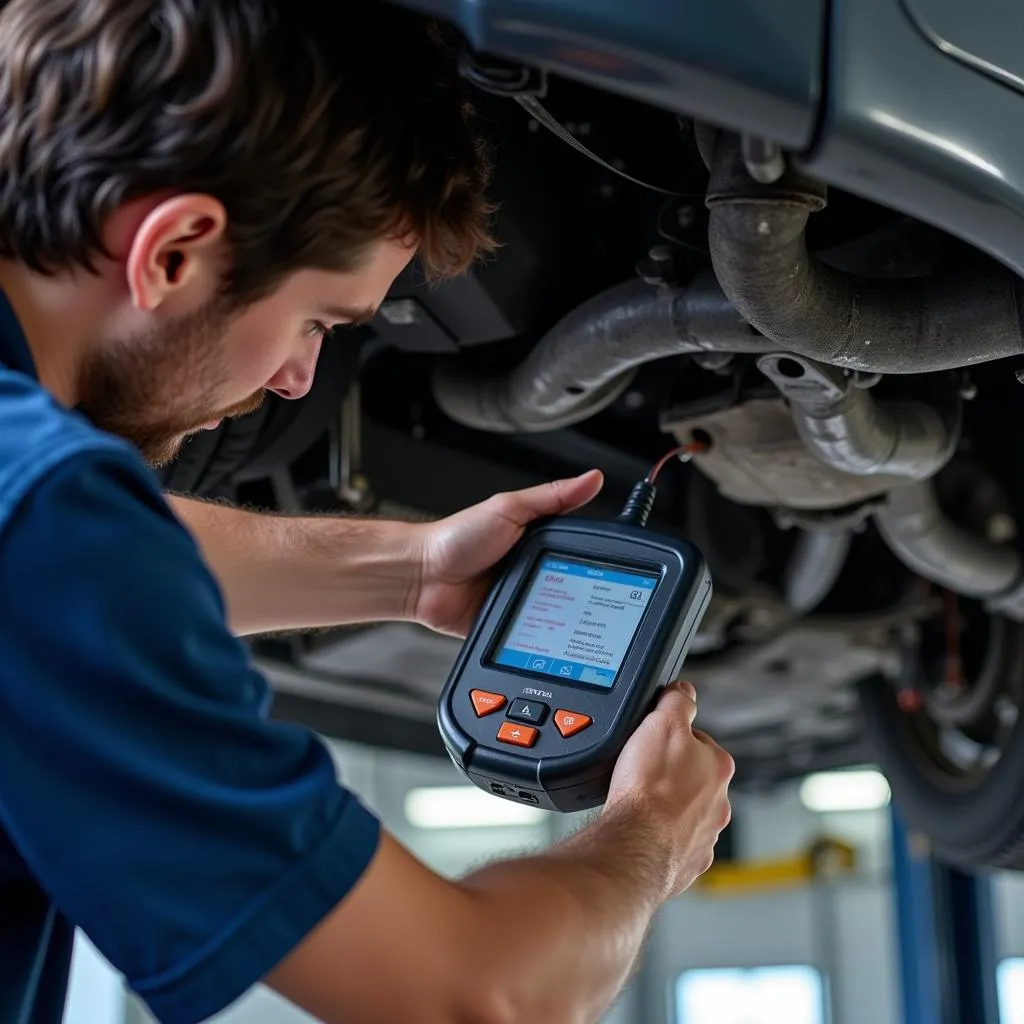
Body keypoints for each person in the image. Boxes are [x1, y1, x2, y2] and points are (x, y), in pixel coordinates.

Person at [0, 0, 735, 1021]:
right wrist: (651, 838)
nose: (302, 379)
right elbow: (465, 994)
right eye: (315, 320)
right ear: (175, 251)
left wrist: (413, 567)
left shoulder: (34, 509)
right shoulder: (44, 520)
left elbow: (69, 567)